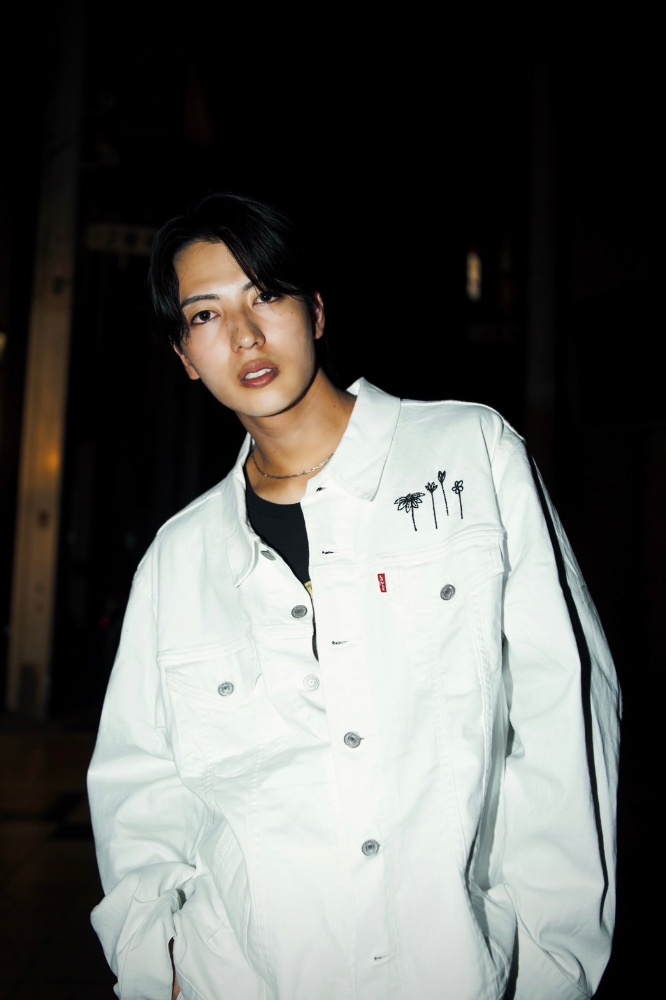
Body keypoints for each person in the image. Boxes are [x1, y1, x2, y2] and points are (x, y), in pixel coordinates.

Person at [87, 190, 622, 1000]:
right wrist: (151, 966)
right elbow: (140, 790)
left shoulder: (469, 454)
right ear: (185, 355)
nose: (244, 334)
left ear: (315, 311)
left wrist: (555, 971)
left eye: (265, 295)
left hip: (454, 972)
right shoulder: (178, 559)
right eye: (206, 314)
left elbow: (566, 718)